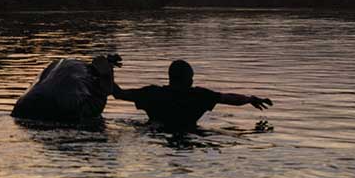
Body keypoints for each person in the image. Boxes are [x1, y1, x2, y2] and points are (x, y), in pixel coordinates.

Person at [112, 59, 272, 129]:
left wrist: (105, 71)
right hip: (190, 131)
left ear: (170, 77)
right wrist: (250, 99)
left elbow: (118, 94)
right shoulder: (199, 96)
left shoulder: (152, 93)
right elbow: (229, 98)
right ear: (189, 79)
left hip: (155, 131)